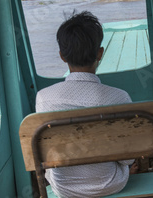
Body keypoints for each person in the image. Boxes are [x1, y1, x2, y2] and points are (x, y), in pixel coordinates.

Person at [36, 11, 134, 198]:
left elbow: (46, 156)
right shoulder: (119, 97)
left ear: (62, 56)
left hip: (64, 189)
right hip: (111, 184)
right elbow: (128, 158)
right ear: (100, 53)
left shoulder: (43, 98)